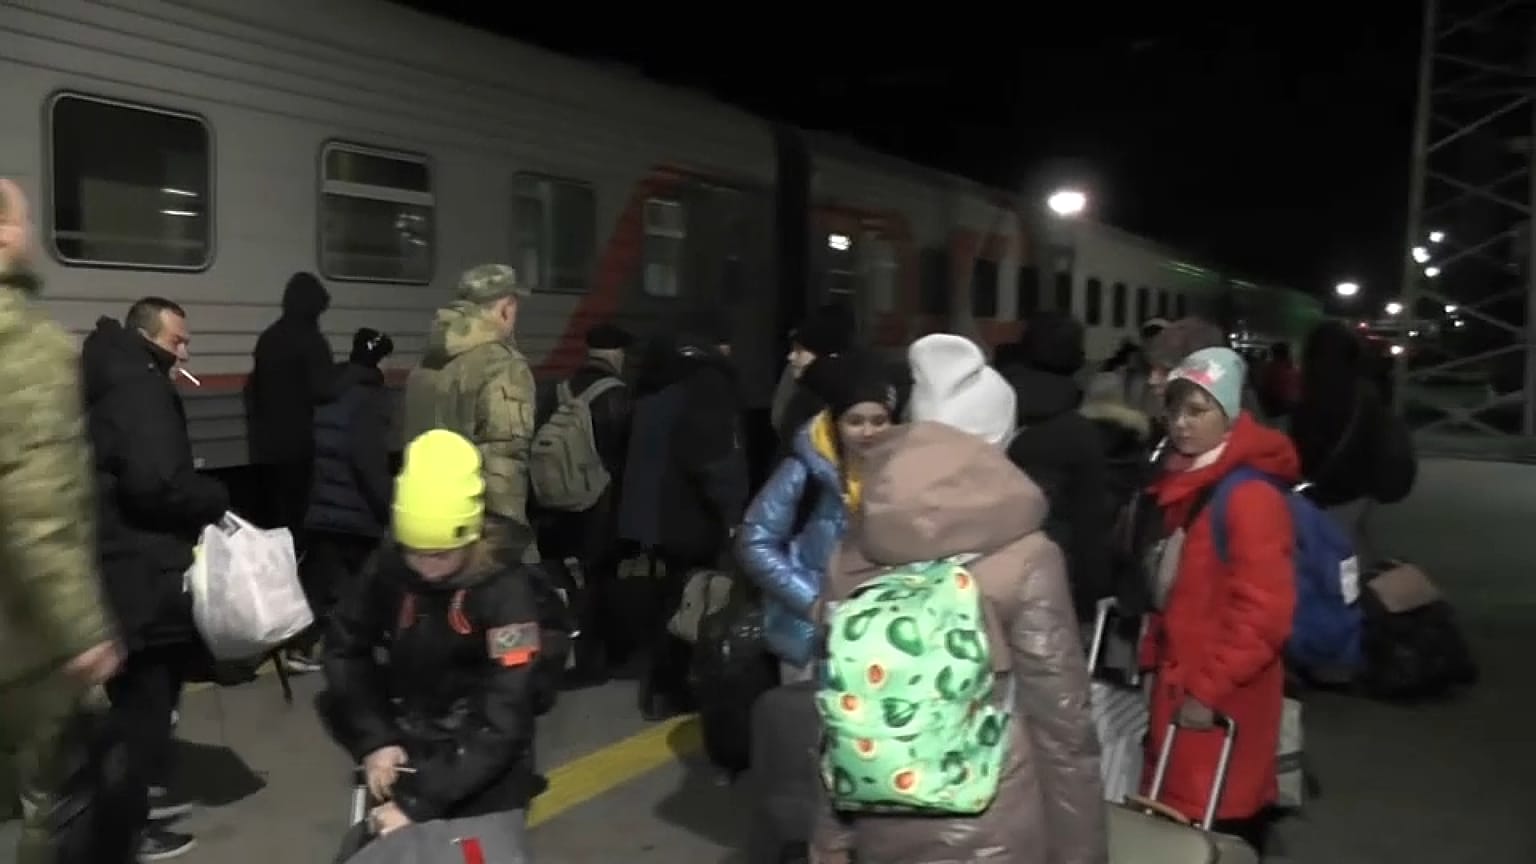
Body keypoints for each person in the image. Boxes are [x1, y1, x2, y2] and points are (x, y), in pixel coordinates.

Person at [811, 333, 1105, 864]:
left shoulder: (862, 542)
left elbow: (836, 711)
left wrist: (831, 844)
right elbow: (1062, 725)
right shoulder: (1028, 556)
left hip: (878, 812)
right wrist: (1081, 854)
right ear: (998, 440)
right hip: (996, 823)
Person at [322, 429, 541, 857]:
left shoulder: (507, 592)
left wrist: (418, 801)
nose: (426, 569)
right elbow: (346, 647)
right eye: (415, 552)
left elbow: (506, 713)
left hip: (484, 766)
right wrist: (376, 739)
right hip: (409, 745)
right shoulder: (389, 568)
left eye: (441, 555)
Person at [0, 177, 127, 864]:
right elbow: (36, 504)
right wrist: (85, 634)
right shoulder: (24, 343)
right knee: (58, 806)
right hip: (30, 640)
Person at [82, 296, 231, 860]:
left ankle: (133, 801)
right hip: (145, 568)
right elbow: (157, 485)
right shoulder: (142, 388)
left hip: (118, 558)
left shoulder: (110, 373)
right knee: (145, 703)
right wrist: (213, 496)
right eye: (177, 341)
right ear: (148, 336)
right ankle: (126, 828)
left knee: (132, 697)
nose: (185, 351)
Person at [1142, 347, 1297, 853]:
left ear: (1229, 413)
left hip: (1220, 698)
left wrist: (1206, 690)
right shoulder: (1191, 480)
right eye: (1175, 410)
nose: (1181, 424)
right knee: (1182, 822)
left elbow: (1265, 614)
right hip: (1184, 688)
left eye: (1198, 410)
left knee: (1215, 823)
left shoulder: (1248, 497)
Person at [737, 353, 898, 682]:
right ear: (835, 423)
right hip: (812, 639)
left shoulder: (904, 471)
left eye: (879, 421)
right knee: (809, 728)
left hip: (883, 634)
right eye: (855, 421)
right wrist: (812, 603)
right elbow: (755, 541)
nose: (868, 432)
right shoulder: (803, 470)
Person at [402, 263, 539, 562]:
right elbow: (504, 461)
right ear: (505, 309)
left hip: (422, 532)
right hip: (474, 536)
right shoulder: (502, 366)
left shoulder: (426, 364)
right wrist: (511, 548)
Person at [287, 328, 397, 673]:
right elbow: (369, 462)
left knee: (324, 584)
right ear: (381, 361)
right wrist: (389, 505)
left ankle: (304, 646)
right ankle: (361, 647)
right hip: (356, 510)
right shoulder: (369, 398)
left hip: (323, 503)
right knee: (370, 582)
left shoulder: (331, 392)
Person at [997, 311, 1112, 623]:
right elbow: (1088, 521)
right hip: (1051, 579)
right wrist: (1091, 598)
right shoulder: (1079, 432)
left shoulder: (991, 408)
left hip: (985, 574)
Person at [246, 271, 335, 541]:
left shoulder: (269, 337)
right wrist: (353, 375)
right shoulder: (310, 340)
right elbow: (323, 389)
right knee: (297, 514)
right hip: (298, 443)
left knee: (274, 513)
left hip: (266, 444)